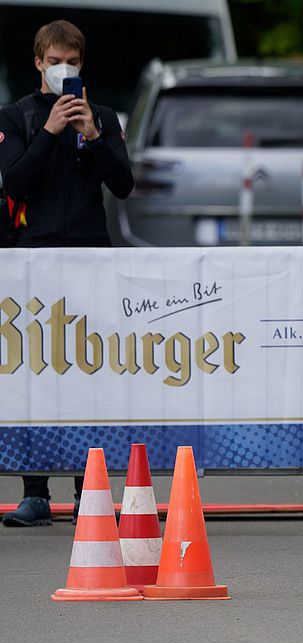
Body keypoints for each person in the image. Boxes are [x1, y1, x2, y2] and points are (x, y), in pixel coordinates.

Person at [0, 19, 134, 526]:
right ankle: (35, 491)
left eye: (71, 62)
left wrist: (93, 135)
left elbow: (123, 185)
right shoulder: (15, 117)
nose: (63, 70)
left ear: (82, 65)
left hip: (90, 258)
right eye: (54, 61)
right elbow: (13, 183)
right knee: (35, 376)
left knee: (89, 373)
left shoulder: (100, 116)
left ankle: (89, 491)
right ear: (38, 62)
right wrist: (51, 130)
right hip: (31, 261)